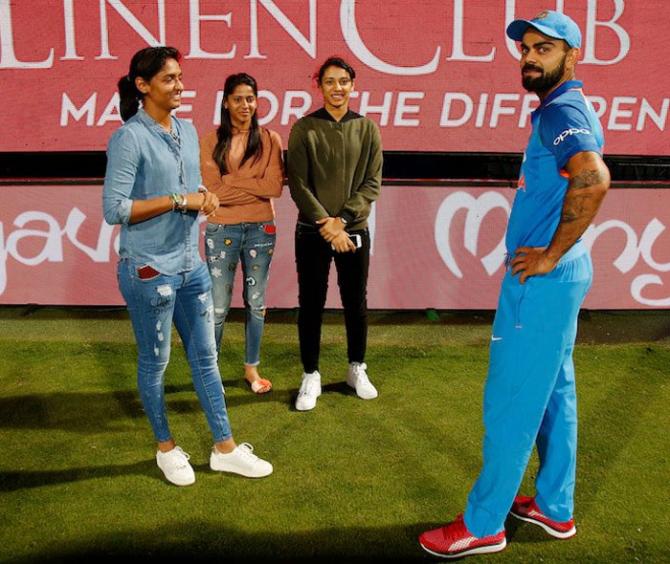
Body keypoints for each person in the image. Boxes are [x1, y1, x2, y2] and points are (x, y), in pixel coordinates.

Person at [419, 10, 610, 558]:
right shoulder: (556, 108)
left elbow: (594, 178)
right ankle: (554, 507)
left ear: (571, 55)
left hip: (543, 284)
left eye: (544, 48)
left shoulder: (563, 110)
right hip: (563, 278)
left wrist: (550, 254)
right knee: (556, 395)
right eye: (526, 47)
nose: (529, 57)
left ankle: (484, 524)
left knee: (510, 401)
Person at [103, 47, 272, 486]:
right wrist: (182, 201)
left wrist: (203, 195)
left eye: (180, 77)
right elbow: (115, 209)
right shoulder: (129, 137)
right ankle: (165, 448)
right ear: (143, 86)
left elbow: (188, 186)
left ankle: (225, 448)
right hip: (147, 270)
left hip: (189, 266)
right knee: (155, 362)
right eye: (169, 79)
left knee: (207, 359)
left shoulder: (186, 129)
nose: (180, 85)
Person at [287, 56, 382, 411]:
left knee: (355, 303)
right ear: (320, 86)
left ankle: (356, 368)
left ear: (352, 86)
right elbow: (297, 184)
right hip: (312, 232)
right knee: (310, 304)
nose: (337, 87)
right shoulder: (304, 128)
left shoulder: (368, 129)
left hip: (353, 231)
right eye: (330, 81)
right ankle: (310, 374)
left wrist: (341, 220)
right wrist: (326, 224)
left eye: (343, 81)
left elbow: (372, 183)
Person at [200, 73, 283, 395]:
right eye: (238, 98)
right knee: (218, 307)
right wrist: (251, 187)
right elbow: (212, 191)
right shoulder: (210, 141)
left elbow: (274, 187)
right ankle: (211, 371)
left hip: (262, 229)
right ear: (226, 102)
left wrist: (231, 181)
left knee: (257, 303)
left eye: (250, 98)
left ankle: (251, 368)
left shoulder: (270, 139)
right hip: (221, 229)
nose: (245, 105)